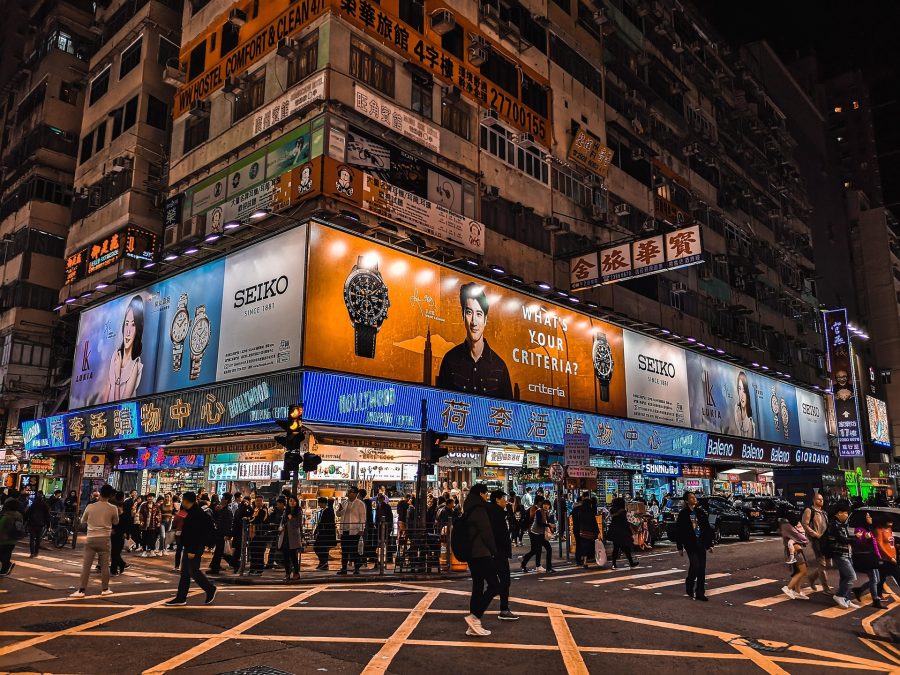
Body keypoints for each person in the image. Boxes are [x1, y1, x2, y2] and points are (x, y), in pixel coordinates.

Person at [436, 282, 513, 398]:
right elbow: (439, 403)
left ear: (485, 319)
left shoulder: (500, 367)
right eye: (469, 313)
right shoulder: (450, 360)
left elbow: (509, 411)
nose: (473, 322)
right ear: (462, 316)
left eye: (479, 314)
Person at [165, 492, 216, 606]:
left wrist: (192, 550)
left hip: (194, 547)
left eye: (183, 500)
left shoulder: (196, 514)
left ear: (187, 501)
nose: (182, 502)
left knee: (193, 571)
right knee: (185, 573)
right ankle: (181, 597)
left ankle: (209, 589)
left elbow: (196, 534)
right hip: (190, 545)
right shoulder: (190, 511)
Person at [463, 484, 500, 637]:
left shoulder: (469, 506)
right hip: (481, 552)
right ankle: (475, 617)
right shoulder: (479, 509)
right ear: (481, 493)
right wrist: (494, 551)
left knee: (478, 586)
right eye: (486, 494)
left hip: (472, 553)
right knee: (495, 585)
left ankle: (473, 627)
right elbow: (486, 532)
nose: (487, 496)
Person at [70, 484, 118, 598]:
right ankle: (105, 589)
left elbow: (83, 520)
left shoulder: (90, 506)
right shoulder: (113, 508)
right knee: (105, 565)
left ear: (100, 493)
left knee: (86, 566)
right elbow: (116, 522)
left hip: (91, 538)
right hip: (105, 539)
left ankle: (81, 590)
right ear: (110, 495)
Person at [104, 295, 144, 402]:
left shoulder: (135, 365)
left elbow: (121, 405)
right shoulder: (116, 356)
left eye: (133, 325)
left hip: (124, 417)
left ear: (138, 330)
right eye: (126, 324)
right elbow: (107, 389)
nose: (128, 331)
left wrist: (117, 375)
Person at [675, 492, 715, 601]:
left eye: (694, 497)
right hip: (690, 544)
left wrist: (709, 544)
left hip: (701, 542)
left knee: (702, 568)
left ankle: (700, 592)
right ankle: (690, 582)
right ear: (687, 501)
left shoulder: (700, 512)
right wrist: (680, 547)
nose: (694, 499)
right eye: (692, 498)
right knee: (695, 565)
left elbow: (706, 529)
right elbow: (679, 531)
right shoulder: (683, 514)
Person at [826, 500, 862, 609]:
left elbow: (845, 538)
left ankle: (845, 598)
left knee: (844, 577)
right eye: (845, 513)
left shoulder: (841, 524)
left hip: (847, 553)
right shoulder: (834, 525)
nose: (846, 515)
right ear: (839, 513)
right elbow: (841, 539)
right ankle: (839, 595)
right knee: (851, 576)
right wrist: (855, 538)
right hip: (840, 554)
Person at [488, 490, 517, 620]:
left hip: (496, 553)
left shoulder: (497, 512)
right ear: (497, 500)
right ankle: (503, 609)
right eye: (503, 499)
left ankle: (478, 609)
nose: (506, 501)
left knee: (495, 583)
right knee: (504, 581)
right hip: (498, 553)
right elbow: (498, 535)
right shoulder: (496, 514)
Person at [851, 511, 884, 608]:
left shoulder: (869, 529)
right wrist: (865, 538)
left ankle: (859, 590)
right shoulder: (859, 530)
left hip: (873, 557)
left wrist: (878, 556)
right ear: (863, 518)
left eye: (870, 516)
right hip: (866, 558)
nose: (870, 518)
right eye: (868, 516)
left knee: (877, 580)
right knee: (874, 579)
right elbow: (859, 545)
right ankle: (876, 600)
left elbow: (874, 545)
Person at [801, 493, 831, 593]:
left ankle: (812, 578)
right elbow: (805, 524)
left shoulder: (824, 512)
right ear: (814, 500)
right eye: (818, 499)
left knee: (828, 564)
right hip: (817, 540)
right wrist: (815, 534)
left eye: (822, 499)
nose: (821, 501)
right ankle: (825, 588)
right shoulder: (809, 510)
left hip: (826, 540)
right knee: (822, 564)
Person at [780, 511, 810, 600]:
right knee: (803, 571)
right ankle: (788, 588)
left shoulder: (787, 525)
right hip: (795, 550)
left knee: (799, 571)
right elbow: (801, 538)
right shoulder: (787, 526)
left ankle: (797, 591)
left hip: (796, 549)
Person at [336, 487, 366, 575]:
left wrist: (361, 529)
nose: (349, 494)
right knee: (344, 550)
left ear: (356, 494)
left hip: (354, 530)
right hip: (344, 530)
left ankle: (356, 568)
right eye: (348, 492)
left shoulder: (360, 504)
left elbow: (362, 518)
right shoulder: (344, 503)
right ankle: (344, 568)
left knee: (354, 550)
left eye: (351, 492)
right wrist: (339, 510)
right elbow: (338, 514)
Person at [521, 498, 554, 573]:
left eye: (548, 505)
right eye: (545, 504)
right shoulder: (539, 511)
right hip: (534, 533)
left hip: (541, 534)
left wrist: (551, 527)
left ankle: (548, 568)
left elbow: (548, 522)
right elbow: (539, 523)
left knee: (547, 549)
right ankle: (527, 563)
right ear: (542, 505)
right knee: (536, 550)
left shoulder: (546, 512)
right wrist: (548, 525)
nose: (546, 506)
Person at [608, 497, 638, 569]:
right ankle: (631, 562)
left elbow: (611, 518)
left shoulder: (612, 510)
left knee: (616, 548)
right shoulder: (623, 511)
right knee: (625, 547)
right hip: (622, 531)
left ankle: (614, 564)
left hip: (615, 531)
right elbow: (626, 521)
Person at [207, 493, 233, 575]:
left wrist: (227, 534)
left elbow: (228, 524)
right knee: (219, 551)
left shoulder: (227, 511)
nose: (221, 500)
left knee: (221, 552)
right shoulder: (223, 509)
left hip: (222, 534)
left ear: (226, 500)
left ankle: (235, 564)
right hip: (219, 533)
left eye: (222, 499)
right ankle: (215, 567)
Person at [572, 492, 600, 569]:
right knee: (586, 545)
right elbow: (593, 521)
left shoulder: (575, 509)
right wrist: (597, 532)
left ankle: (578, 560)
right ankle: (584, 559)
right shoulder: (587, 510)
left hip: (576, 529)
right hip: (585, 530)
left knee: (579, 544)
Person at [875, 515, 899, 598]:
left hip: (892, 557)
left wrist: (895, 552)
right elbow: (879, 545)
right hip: (885, 559)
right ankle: (878, 593)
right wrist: (889, 557)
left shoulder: (889, 529)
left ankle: (877, 593)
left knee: (882, 577)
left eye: (891, 522)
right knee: (897, 575)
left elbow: (891, 543)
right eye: (889, 522)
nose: (891, 524)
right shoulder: (879, 530)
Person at [279, 495, 303, 580]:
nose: (292, 502)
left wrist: (292, 518)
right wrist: (280, 527)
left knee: (293, 556)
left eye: (293, 501)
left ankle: (296, 573)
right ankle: (287, 573)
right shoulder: (286, 511)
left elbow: (298, 524)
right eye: (290, 501)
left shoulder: (298, 511)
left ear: (296, 502)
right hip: (285, 536)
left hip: (293, 536)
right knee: (285, 556)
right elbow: (282, 522)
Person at [0, 498, 24, 576]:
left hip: (3, 538)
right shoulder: (19, 515)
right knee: (7, 554)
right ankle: (4, 569)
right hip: (13, 538)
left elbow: (1, 526)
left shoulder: (6, 515)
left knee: (3, 555)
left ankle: (6, 568)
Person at [24, 491, 51, 558]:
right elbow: (47, 516)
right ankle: (36, 552)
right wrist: (48, 525)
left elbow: (27, 514)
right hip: (41, 524)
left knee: (32, 538)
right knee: (38, 538)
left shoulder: (33, 505)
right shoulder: (45, 506)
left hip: (32, 523)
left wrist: (24, 522)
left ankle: (32, 553)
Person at [247, 496, 269, 575]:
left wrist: (250, 520)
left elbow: (258, 520)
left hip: (260, 534)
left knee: (259, 552)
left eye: (260, 501)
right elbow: (251, 518)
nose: (258, 502)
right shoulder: (254, 509)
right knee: (253, 552)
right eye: (257, 501)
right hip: (253, 534)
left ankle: (259, 570)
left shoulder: (264, 510)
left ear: (263, 501)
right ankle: (252, 569)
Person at [313, 496, 336, 571]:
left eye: (319, 503)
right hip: (325, 533)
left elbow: (322, 522)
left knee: (318, 547)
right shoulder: (327, 510)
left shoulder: (327, 511)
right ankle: (323, 563)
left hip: (325, 534)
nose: (319, 504)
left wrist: (317, 530)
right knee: (321, 548)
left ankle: (323, 563)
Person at [733, 371, 756, 438]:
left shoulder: (750, 423)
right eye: (739, 389)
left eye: (744, 391)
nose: (741, 395)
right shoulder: (736, 409)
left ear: (747, 393)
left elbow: (749, 445)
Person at [110, 492, 128, 576]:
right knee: (114, 553)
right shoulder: (114, 514)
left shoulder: (124, 515)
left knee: (115, 553)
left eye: (119, 507)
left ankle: (116, 568)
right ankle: (120, 565)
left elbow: (127, 525)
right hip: (114, 535)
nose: (118, 509)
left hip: (120, 535)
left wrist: (126, 533)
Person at [138, 493, 161, 557]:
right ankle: (144, 551)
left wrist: (158, 521)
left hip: (153, 525)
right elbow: (140, 513)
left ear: (153, 498)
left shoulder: (156, 505)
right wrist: (141, 520)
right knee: (144, 538)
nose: (149, 498)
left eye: (151, 497)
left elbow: (159, 514)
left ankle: (152, 551)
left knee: (152, 538)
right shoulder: (143, 505)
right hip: (145, 525)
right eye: (148, 497)